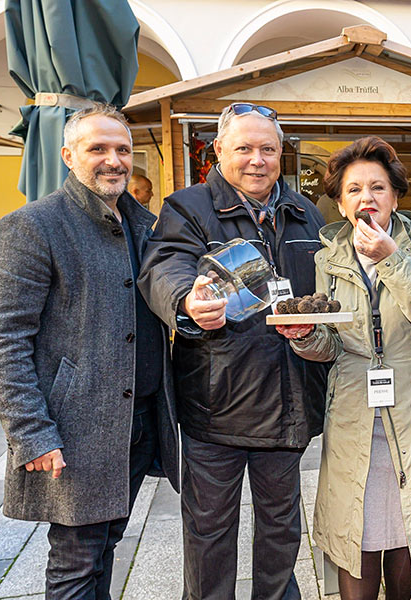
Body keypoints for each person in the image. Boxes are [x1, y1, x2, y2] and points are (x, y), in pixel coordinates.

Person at [0, 103, 179, 599]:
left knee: (105, 545)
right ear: (68, 155)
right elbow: (3, 340)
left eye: (123, 150)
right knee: (75, 560)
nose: (113, 160)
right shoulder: (31, 226)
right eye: (98, 149)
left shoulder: (144, 225)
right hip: (75, 431)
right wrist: (32, 434)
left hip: (138, 422)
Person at [138, 102, 328, 600]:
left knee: (282, 530)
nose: (257, 160)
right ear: (219, 150)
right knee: (209, 533)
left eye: (267, 149)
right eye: (243, 148)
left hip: (288, 400)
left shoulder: (306, 212)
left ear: (281, 153)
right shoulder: (189, 207)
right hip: (216, 403)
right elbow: (165, 266)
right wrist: (187, 299)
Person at [274, 136, 411, 600]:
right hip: (354, 410)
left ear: (395, 197)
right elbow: (331, 342)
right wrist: (304, 336)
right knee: (355, 528)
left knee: (410, 527)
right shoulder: (329, 257)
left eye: (378, 188)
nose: (367, 198)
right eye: (355, 190)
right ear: (341, 205)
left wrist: (393, 260)